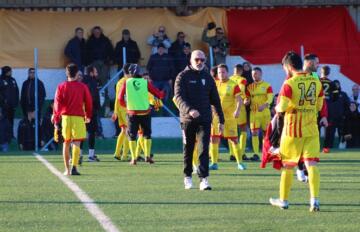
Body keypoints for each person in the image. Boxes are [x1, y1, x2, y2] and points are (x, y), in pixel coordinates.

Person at [269, 51, 324, 212]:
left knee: (288, 166)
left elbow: (282, 108)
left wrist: (277, 108)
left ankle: (284, 200)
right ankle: (314, 201)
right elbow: (319, 107)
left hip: (292, 130)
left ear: (289, 66)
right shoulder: (316, 82)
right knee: (311, 164)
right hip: (312, 129)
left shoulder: (289, 83)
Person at [174, 50, 224, 191]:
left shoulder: (208, 77)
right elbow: (178, 97)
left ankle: (204, 180)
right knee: (188, 149)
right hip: (187, 120)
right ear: (190, 60)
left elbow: (215, 100)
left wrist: (221, 119)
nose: (200, 62)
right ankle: (188, 177)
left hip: (205, 119)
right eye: (197, 59)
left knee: (203, 149)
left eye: (202, 59)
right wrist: (189, 110)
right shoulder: (182, 77)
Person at [118, 64, 164, 165]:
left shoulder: (126, 82)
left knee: (132, 136)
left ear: (130, 73)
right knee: (147, 134)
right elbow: (158, 94)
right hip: (145, 112)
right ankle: (147, 156)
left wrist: (126, 107)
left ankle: (134, 158)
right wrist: (162, 93)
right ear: (139, 72)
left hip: (132, 113)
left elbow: (120, 98)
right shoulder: (145, 82)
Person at [52, 63, 92, 176]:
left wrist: (56, 119)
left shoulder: (61, 86)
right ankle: (74, 167)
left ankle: (67, 169)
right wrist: (88, 116)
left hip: (65, 118)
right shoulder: (83, 86)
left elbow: (57, 104)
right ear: (77, 73)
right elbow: (88, 102)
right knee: (77, 143)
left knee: (66, 143)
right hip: (78, 118)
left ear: (67, 73)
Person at [209, 64, 246, 170]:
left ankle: (240, 163)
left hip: (229, 118)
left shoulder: (233, 85)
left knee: (234, 140)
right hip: (216, 117)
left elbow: (239, 99)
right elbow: (209, 98)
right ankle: (214, 163)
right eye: (219, 72)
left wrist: (237, 110)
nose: (221, 74)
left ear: (227, 72)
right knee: (214, 139)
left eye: (223, 72)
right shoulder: (214, 84)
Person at [244, 67, 273, 161]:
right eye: (253, 74)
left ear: (261, 74)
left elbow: (270, 98)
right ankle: (256, 154)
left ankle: (266, 153)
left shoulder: (267, 86)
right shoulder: (249, 87)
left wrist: (264, 105)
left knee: (266, 133)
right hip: (254, 113)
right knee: (254, 133)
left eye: (256, 73)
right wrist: (246, 101)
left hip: (265, 113)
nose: (254, 75)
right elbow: (247, 98)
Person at [112, 63, 131, 161]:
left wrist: (115, 111)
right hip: (126, 109)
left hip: (120, 109)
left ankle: (117, 153)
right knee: (128, 131)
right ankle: (124, 155)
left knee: (123, 131)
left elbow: (117, 98)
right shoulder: (129, 82)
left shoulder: (120, 82)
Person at [82, 66, 101, 162]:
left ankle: (78, 155)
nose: (97, 74)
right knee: (91, 132)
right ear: (91, 73)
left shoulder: (80, 81)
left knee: (80, 133)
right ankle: (90, 155)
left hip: (80, 111)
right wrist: (97, 107)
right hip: (90, 110)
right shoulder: (92, 82)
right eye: (95, 72)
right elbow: (94, 97)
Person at [324, 79, 349, 150]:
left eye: (337, 84)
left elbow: (347, 105)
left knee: (342, 134)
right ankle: (329, 148)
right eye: (335, 85)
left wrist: (345, 115)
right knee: (330, 134)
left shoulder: (343, 94)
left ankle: (343, 148)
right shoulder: (329, 95)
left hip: (341, 118)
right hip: (331, 118)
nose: (336, 86)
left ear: (339, 85)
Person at [229, 64, 248, 160]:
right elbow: (241, 90)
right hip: (239, 106)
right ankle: (242, 152)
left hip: (230, 106)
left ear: (234, 70)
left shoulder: (229, 79)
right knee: (243, 128)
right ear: (241, 71)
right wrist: (245, 99)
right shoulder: (242, 79)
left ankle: (232, 154)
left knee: (231, 130)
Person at [0, 66, 19, 139]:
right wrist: (3, 101)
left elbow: (16, 91)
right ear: (6, 72)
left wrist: (16, 102)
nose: (11, 72)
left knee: (11, 121)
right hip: (3, 106)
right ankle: (4, 136)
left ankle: (11, 135)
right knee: (4, 121)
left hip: (12, 106)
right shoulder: (1, 80)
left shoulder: (12, 80)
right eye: (10, 71)